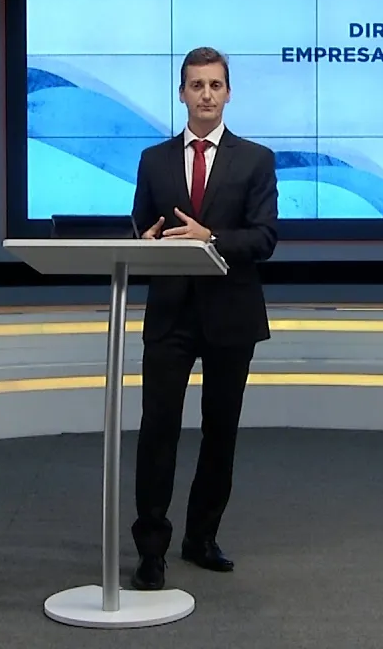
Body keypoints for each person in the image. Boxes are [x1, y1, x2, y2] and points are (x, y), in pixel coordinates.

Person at [128, 47, 279, 591]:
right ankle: (151, 550)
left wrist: (209, 237)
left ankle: (201, 537)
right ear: (182, 93)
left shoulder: (256, 160)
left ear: (228, 92)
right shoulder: (153, 160)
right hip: (171, 314)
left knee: (220, 433)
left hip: (230, 314)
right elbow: (141, 226)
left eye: (215, 85)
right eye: (197, 85)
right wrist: (145, 240)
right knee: (158, 431)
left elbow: (264, 238)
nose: (206, 94)